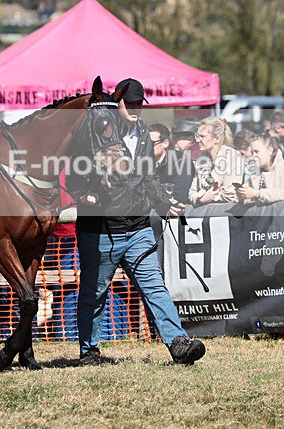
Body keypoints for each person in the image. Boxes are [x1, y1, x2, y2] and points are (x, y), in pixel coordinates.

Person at [66, 77, 205, 366]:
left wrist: (164, 204)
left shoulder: (142, 133)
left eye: (139, 104)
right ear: (116, 102)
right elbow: (73, 177)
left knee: (154, 287)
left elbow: (148, 178)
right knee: (95, 292)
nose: (134, 108)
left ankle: (178, 343)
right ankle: (89, 351)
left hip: (138, 228)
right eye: (129, 103)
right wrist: (85, 194)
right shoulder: (98, 130)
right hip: (101, 231)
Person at [188, 117, 243, 205]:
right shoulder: (202, 158)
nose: (197, 140)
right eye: (197, 136)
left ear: (216, 138)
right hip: (204, 211)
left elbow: (230, 194)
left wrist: (207, 197)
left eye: (202, 136)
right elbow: (192, 192)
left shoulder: (232, 155)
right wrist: (200, 199)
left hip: (225, 211)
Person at [235, 133, 284, 204]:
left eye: (256, 151)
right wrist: (242, 196)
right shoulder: (254, 173)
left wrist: (257, 194)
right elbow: (249, 200)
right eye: (252, 153)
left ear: (270, 151)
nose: (253, 156)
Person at [148, 123, 191, 203]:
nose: (147, 147)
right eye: (144, 143)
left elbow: (180, 196)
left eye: (151, 143)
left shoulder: (181, 161)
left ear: (165, 143)